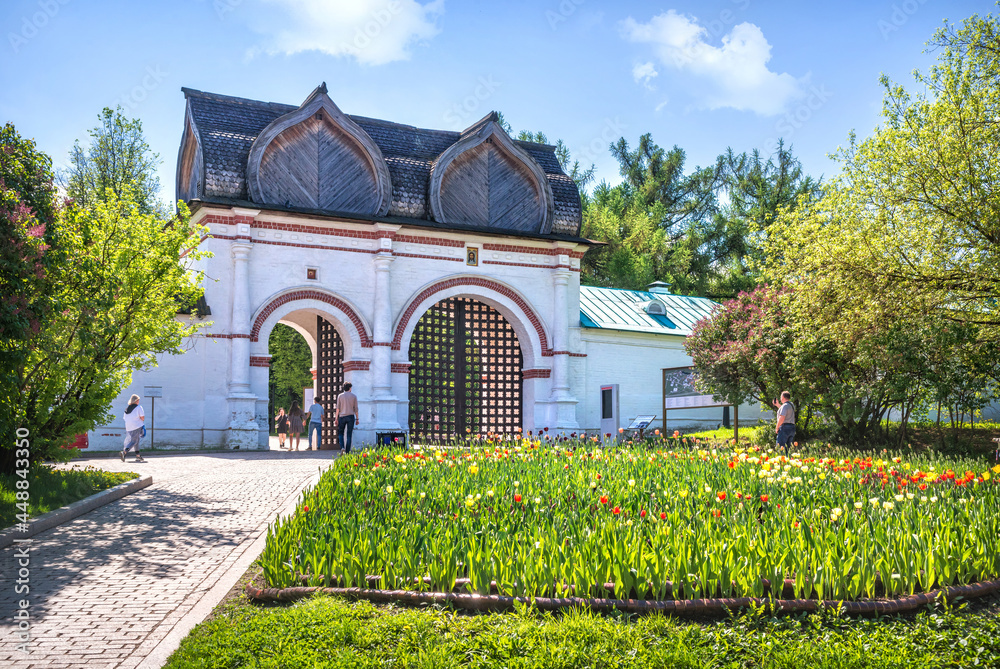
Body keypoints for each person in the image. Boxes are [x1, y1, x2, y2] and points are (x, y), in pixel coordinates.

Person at [121, 394, 146, 462]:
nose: (138, 401)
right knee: (134, 441)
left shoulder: (127, 408)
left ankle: (138, 456)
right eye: (138, 400)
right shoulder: (139, 407)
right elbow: (142, 417)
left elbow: (124, 418)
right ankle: (124, 452)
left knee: (136, 441)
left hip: (129, 427)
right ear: (136, 400)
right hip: (136, 426)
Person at [336, 382, 359, 453]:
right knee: (349, 434)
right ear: (350, 388)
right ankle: (347, 451)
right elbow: (356, 409)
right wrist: (357, 418)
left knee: (340, 433)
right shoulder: (354, 396)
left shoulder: (340, 396)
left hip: (342, 417)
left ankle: (342, 447)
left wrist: (336, 418)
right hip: (350, 416)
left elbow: (338, 408)